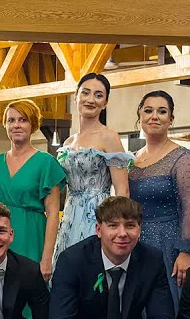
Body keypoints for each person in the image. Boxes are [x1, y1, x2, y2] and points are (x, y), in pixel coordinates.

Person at [127, 90, 190, 304]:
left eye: (162, 112)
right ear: (140, 116)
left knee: (166, 303)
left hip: (169, 244)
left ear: (171, 119)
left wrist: (186, 251)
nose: (154, 116)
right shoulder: (132, 160)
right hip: (135, 242)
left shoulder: (183, 158)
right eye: (148, 111)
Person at [52, 72, 132, 267]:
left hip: (97, 215)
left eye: (98, 95)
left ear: (105, 103)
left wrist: (116, 227)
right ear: (76, 96)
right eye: (85, 93)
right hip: (70, 214)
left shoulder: (109, 137)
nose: (90, 99)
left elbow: (122, 190)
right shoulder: (69, 142)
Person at [0, 99, 65, 276]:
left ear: (33, 124)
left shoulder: (46, 162)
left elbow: (53, 214)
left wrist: (47, 258)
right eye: (11, 120)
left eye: (23, 120)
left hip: (31, 237)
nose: (16, 125)